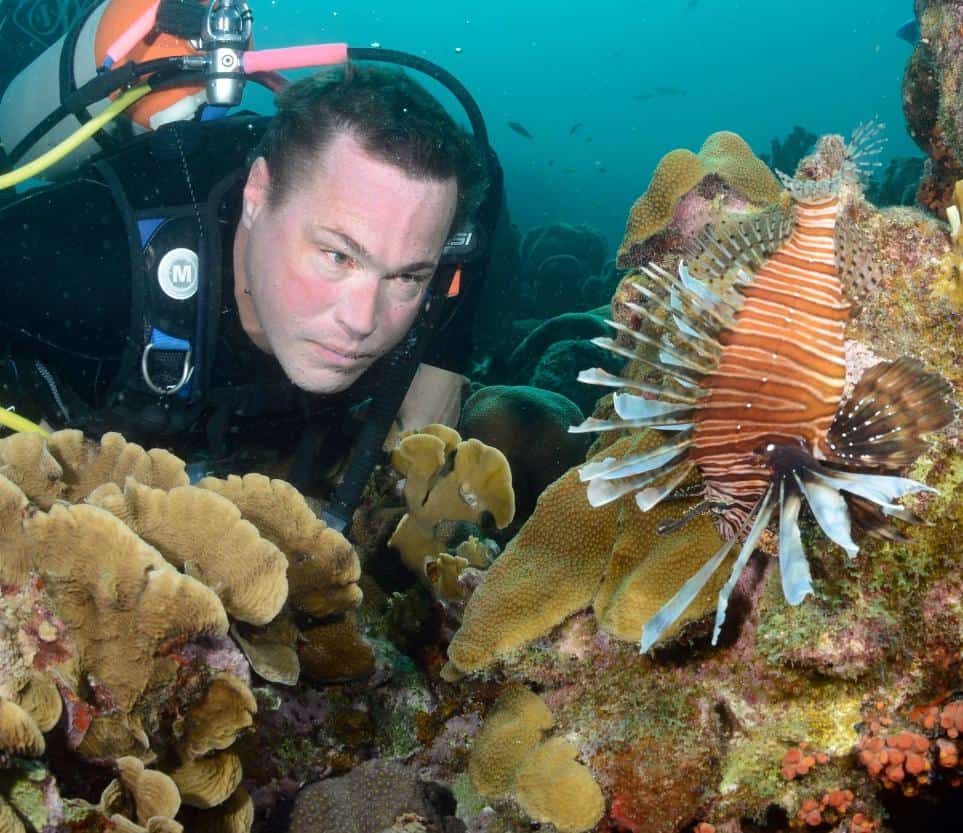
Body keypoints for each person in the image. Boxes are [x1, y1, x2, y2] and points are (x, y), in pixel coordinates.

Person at [0, 63, 503, 517]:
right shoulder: (90, 264)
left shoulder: (439, 258)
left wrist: (444, 361)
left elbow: (484, 204)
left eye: (407, 277)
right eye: (338, 256)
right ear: (257, 196)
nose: (362, 322)